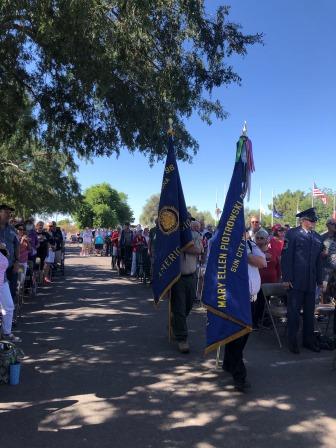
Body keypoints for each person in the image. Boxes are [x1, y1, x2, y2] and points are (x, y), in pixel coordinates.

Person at [223, 237, 266, 392]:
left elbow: (263, 262)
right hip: (236, 300)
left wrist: (245, 256)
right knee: (237, 337)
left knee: (243, 335)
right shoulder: (224, 243)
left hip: (252, 299)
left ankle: (229, 363)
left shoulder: (249, 244)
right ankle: (239, 376)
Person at [281, 207, 323, 354]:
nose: (313, 223)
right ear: (303, 220)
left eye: (314, 221)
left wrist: (320, 280)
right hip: (295, 281)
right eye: (311, 220)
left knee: (309, 314)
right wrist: (286, 278)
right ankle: (292, 342)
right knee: (293, 313)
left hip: (310, 282)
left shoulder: (317, 237)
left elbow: (318, 262)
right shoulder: (292, 234)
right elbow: (286, 258)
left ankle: (308, 340)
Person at [171, 229, 203, 354]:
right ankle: (182, 338)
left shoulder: (194, 235)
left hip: (191, 275)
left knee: (188, 305)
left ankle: (174, 322)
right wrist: (186, 247)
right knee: (179, 307)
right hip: (177, 277)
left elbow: (198, 250)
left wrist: (182, 247)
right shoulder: (172, 236)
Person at [252, 229, 281, 329]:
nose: (259, 240)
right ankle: (254, 322)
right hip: (258, 282)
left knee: (265, 303)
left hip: (271, 282)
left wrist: (278, 278)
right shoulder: (253, 250)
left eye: (262, 238)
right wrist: (263, 256)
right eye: (257, 238)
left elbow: (278, 266)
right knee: (257, 303)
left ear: (267, 239)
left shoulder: (273, 250)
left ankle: (262, 320)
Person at [0, 243, 21, 342]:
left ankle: (6, 333)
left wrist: (5, 250)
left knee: (9, 307)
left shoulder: (2, 246)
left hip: (3, 282)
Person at [0, 204, 20, 308]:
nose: (9, 215)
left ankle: (10, 317)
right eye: (6, 212)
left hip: (11, 267)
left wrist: (17, 262)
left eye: (9, 213)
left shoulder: (13, 230)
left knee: (11, 293)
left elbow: (17, 246)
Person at [321, 218, 336, 303]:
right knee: (324, 289)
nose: (334, 225)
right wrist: (322, 254)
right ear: (327, 225)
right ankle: (323, 311)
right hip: (326, 268)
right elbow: (318, 253)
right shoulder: (322, 237)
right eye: (332, 224)